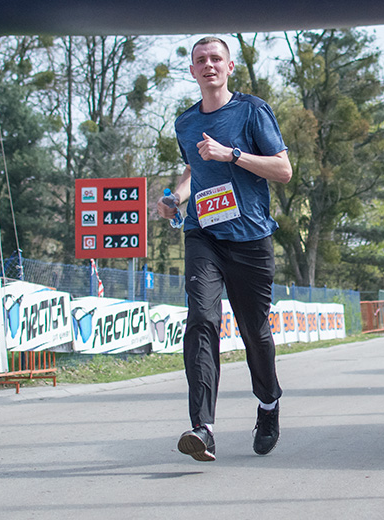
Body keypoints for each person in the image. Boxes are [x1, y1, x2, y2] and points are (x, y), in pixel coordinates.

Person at [156, 36, 292, 462]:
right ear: (192, 71)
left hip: (250, 239)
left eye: (216, 58)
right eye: (201, 60)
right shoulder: (185, 123)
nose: (209, 65)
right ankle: (203, 427)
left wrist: (232, 154)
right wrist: (176, 198)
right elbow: (193, 169)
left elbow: (283, 170)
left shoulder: (252, 111)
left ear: (229, 67)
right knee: (201, 319)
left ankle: (268, 405)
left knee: (255, 332)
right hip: (204, 235)